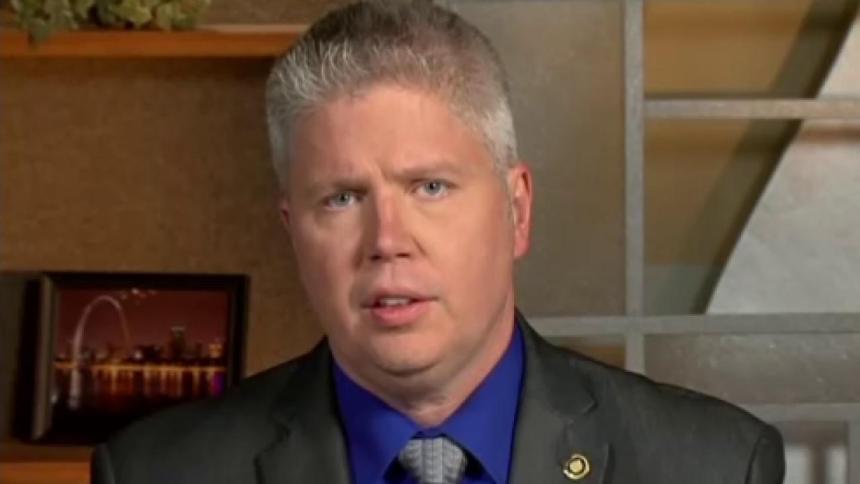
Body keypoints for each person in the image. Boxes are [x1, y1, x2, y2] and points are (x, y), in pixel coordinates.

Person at [91, 1, 785, 483]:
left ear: (517, 210)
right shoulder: (157, 471)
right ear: (292, 232)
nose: (387, 241)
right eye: (342, 198)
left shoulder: (715, 465)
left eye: (429, 187)